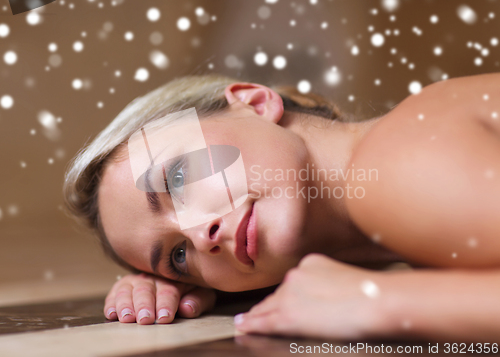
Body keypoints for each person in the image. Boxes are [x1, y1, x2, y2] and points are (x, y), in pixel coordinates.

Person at [63, 73, 500, 343]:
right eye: (178, 256)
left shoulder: (398, 161)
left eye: (177, 179)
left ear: (254, 103)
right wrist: (191, 296)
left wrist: (377, 303)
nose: (201, 236)